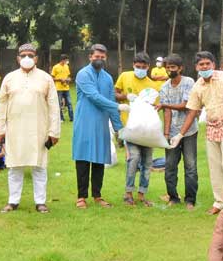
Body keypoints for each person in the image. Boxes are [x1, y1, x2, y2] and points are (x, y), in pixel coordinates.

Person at [170, 51, 223, 215]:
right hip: (212, 128)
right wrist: (180, 134)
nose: (204, 67)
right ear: (196, 67)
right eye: (201, 65)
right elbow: (192, 112)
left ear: (213, 65)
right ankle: (219, 202)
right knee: (215, 167)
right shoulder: (198, 86)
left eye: (207, 64)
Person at [0, 43, 60, 213]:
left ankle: (40, 202)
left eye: (30, 55)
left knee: (39, 166)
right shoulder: (9, 78)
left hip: (39, 128)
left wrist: (54, 131)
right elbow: (1, 104)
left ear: (36, 58)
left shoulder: (46, 78)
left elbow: (54, 106)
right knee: (14, 165)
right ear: (17, 58)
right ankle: (13, 201)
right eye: (23, 55)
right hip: (14, 129)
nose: (27, 58)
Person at [72, 44, 127, 209]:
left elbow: (110, 102)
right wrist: (117, 106)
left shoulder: (108, 78)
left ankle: (97, 195)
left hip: (101, 124)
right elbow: (94, 97)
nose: (99, 59)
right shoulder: (83, 74)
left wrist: (119, 128)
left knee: (99, 159)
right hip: (84, 122)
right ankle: (81, 197)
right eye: (96, 56)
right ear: (90, 57)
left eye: (102, 57)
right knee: (82, 159)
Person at [115, 52, 161, 207]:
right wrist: (127, 97)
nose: (140, 69)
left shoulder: (153, 85)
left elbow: (155, 107)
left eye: (143, 67)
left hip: (147, 130)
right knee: (133, 158)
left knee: (147, 162)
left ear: (148, 67)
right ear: (133, 65)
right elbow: (115, 93)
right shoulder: (125, 76)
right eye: (137, 66)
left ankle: (142, 194)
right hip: (130, 127)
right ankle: (128, 193)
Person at [158, 54, 198, 210]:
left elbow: (187, 105)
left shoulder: (189, 82)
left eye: (173, 67)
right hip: (172, 131)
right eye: (167, 67)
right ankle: (173, 198)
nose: (170, 70)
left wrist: (165, 105)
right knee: (170, 166)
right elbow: (166, 113)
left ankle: (190, 200)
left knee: (191, 166)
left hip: (189, 131)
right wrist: (166, 135)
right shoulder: (164, 87)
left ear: (180, 68)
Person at [51, 55, 74, 122]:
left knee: (69, 103)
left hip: (66, 88)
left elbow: (69, 76)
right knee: (59, 103)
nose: (67, 62)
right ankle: (61, 118)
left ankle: (72, 118)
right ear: (62, 60)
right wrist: (59, 79)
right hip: (59, 88)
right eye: (66, 60)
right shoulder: (55, 67)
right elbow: (52, 78)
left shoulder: (67, 66)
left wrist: (68, 79)